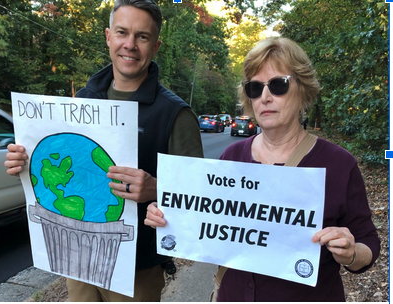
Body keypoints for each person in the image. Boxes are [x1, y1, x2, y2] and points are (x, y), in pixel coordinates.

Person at [144, 37, 380, 301]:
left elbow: (368, 245)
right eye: (255, 88)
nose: (265, 97)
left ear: (302, 88)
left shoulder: (338, 164)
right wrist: (170, 216)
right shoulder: (231, 157)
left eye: (278, 85)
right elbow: (205, 218)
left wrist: (351, 252)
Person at [5, 0, 203, 301]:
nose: (130, 45)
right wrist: (24, 160)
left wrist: (155, 188)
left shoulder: (174, 114)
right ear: (108, 36)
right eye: (123, 32)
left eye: (143, 36)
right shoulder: (83, 100)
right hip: (77, 258)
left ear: (156, 46)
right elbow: (61, 162)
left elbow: (200, 198)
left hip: (138, 268)